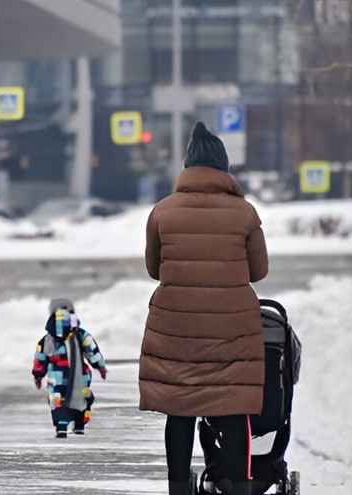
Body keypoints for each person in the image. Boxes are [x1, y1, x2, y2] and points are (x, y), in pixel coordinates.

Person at [139, 122, 269, 495]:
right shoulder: (244, 213)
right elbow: (258, 271)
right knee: (233, 409)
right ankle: (238, 487)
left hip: (176, 329)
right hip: (231, 330)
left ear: (187, 165)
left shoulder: (162, 212)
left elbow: (154, 269)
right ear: (223, 168)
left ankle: (178, 487)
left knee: (179, 411)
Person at [32, 298, 108, 438]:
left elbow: (41, 357)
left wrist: (38, 375)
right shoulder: (80, 334)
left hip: (56, 377)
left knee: (57, 400)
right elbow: (92, 351)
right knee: (82, 397)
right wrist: (100, 366)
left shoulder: (48, 339)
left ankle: (61, 426)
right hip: (81, 376)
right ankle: (79, 424)